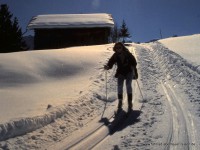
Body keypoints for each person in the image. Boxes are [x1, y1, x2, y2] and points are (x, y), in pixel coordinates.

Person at [104, 42, 137, 112]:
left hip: (129, 71)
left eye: (119, 47)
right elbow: (111, 62)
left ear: (122, 48)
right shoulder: (115, 55)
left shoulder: (127, 54)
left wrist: (132, 65)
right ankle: (120, 101)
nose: (118, 49)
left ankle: (130, 102)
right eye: (117, 48)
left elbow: (134, 61)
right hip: (121, 72)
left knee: (128, 85)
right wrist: (108, 66)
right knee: (119, 86)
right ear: (115, 49)